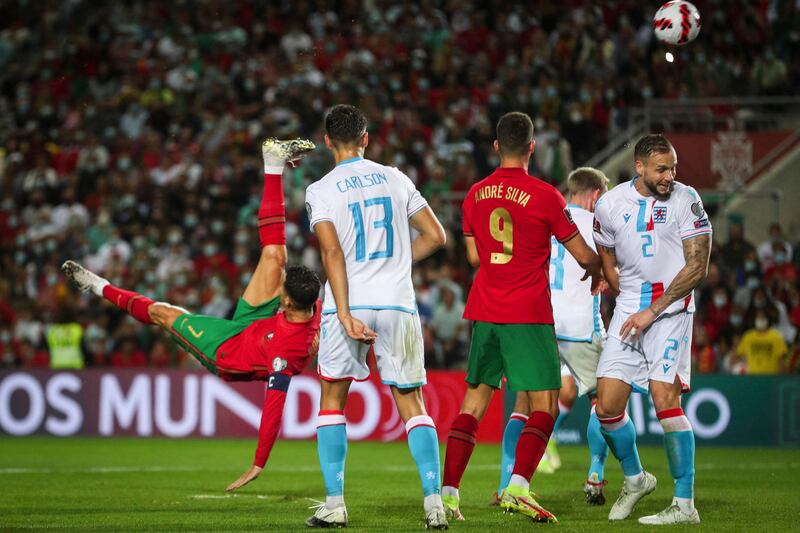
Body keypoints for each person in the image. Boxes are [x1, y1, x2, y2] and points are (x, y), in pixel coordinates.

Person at [61, 138, 322, 491]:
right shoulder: (314, 307)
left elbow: (273, 409)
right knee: (276, 257)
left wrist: (258, 464)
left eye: (284, 292)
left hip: (228, 350)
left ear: (288, 302)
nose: (281, 290)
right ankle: (273, 162)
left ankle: (96, 286)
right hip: (258, 323)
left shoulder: (286, 355)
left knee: (162, 313)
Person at [440, 112, 602, 524]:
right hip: (528, 312)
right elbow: (583, 255)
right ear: (532, 147)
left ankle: (448, 494)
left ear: (496, 146)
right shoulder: (547, 196)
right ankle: (518, 488)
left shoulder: (474, 194)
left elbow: (475, 256)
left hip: (485, 310)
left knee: (473, 403)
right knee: (545, 405)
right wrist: (599, 273)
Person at [304, 104, 448, 529]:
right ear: (366, 138)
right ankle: (434, 503)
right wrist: (398, 265)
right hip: (398, 303)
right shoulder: (396, 177)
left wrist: (345, 312)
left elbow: (331, 252)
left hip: (346, 303)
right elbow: (436, 236)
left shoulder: (321, 189)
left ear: (328, 141)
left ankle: (335, 504)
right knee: (412, 403)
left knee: (333, 399)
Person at [593, 134, 712, 525]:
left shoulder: (686, 199)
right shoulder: (609, 205)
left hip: (672, 310)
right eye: (662, 169)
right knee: (607, 407)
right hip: (629, 310)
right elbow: (606, 258)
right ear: (639, 166)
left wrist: (652, 310)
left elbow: (698, 266)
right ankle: (636, 478)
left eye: (673, 167)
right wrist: (622, 292)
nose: (670, 176)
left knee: (665, 399)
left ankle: (684, 505)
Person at [495, 167, 611, 505]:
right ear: (596, 195)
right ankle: (595, 476)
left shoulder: (541, 220)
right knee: (603, 403)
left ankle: (507, 483)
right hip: (579, 327)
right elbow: (614, 269)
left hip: (539, 322)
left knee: (523, 404)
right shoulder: (598, 225)